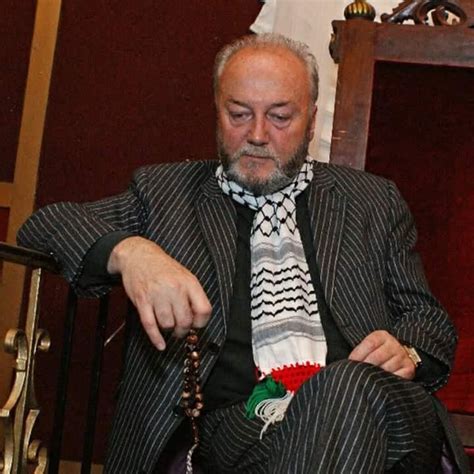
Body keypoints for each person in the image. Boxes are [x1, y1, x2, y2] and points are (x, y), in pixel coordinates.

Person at [18, 33, 467, 473]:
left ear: (311, 120)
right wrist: (133, 253)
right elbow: (43, 226)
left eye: (279, 117)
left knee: (343, 386)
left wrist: (406, 350)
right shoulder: (166, 194)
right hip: (245, 426)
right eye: (238, 114)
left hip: (380, 408)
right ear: (216, 112)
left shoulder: (371, 201)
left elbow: (428, 319)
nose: (256, 135)